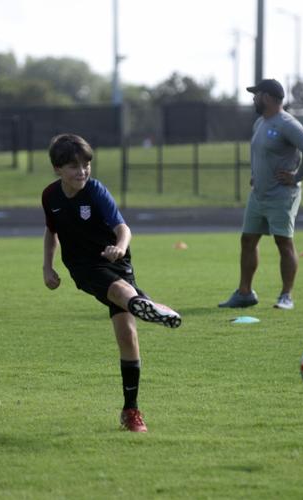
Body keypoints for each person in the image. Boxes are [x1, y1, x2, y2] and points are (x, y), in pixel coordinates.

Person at [42, 134, 181, 433]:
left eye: (86, 164)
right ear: (57, 169)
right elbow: (51, 232)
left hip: (116, 260)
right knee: (120, 291)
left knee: (128, 335)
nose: (82, 171)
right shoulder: (50, 196)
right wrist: (47, 267)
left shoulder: (96, 191)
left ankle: (131, 411)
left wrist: (119, 246)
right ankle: (145, 303)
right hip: (83, 267)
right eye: (73, 166)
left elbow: (123, 228)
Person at [219, 78, 303, 310]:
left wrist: (297, 177)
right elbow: (262, 153)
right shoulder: (260, 123)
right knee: (247, 240)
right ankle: (244, 293)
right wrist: (256, 174)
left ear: (266, 97)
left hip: (282, 195)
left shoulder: (286, 123)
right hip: (258, 195)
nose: (253, 98)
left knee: (283, 242)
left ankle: (286, 296)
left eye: (256, 94)